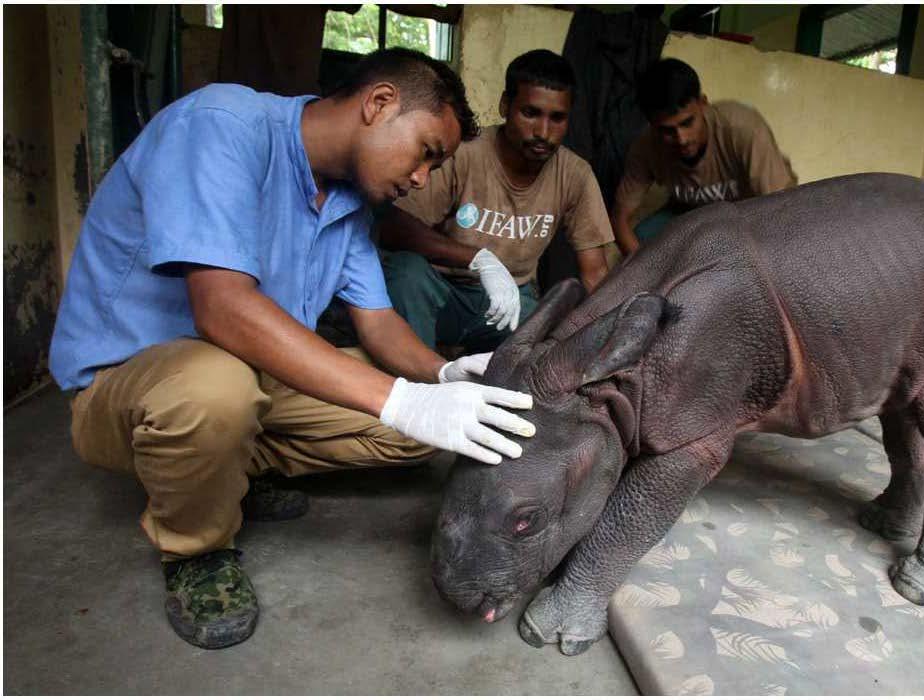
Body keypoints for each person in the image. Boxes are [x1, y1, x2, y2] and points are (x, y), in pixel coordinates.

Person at [48, 48, 538, 650]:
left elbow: (378, 321)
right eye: (427, 152)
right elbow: (222, 308)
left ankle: (223, 470)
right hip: (128, 385)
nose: (422, 179)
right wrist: (399, 399)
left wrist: (442, 376)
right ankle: (197, 549)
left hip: (247, 376)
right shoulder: (222, 126)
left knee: (420, 432)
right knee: (216, 390)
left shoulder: (350, 202)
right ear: (379, 103)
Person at [377, 49, 614, 353]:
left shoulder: (575, 174)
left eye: (557, 118)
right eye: (530, 113)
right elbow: (393, 227)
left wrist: (606, 342)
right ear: (505, 106)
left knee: (545, 326)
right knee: (407, 273)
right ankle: (416, 373)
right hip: (443, 289)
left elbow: (594, 272)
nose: (543, 132)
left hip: (510, 301)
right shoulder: (464, 152)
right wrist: (478, 258)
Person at [611, 58, 798, 256]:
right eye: (667, 131)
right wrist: (647, 269)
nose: (682, 139)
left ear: (703, 104)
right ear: (652, 124)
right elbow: (620, 219)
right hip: (693, 213)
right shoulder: (645, 147)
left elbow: (780, 212)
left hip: (749, 213)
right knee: (642, 238)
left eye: (687, 122)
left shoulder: (742, 128)